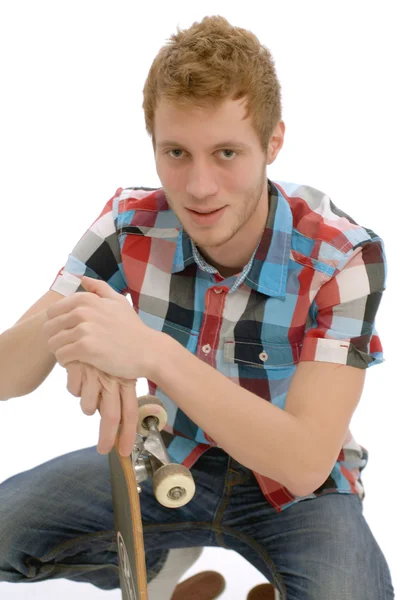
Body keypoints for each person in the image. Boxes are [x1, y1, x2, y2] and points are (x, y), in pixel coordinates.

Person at [0, 14, 395, 600]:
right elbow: (9, 374)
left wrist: (148, 352)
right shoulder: (128, 225)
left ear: (273, 142)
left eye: (227, 152)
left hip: (296, 489)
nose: (199, 186)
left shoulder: (344, 257)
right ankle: (160, 566)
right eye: (177, 152)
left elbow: (306, 462)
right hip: (168, 457)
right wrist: (73, 324)